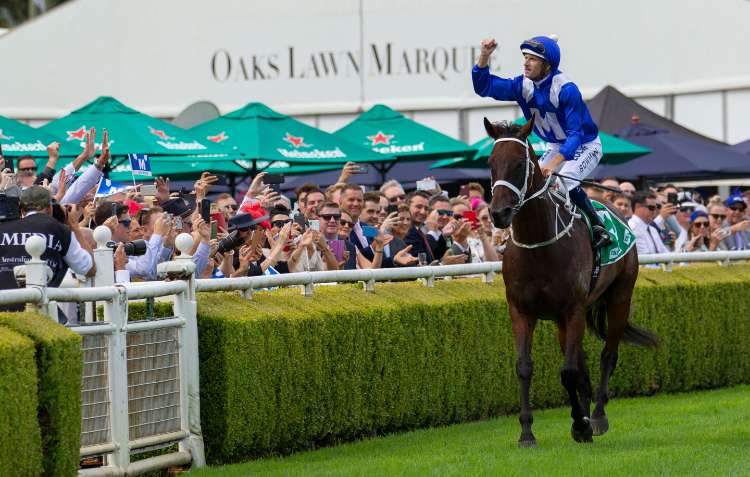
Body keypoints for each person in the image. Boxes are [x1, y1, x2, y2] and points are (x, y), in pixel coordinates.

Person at [472, 35, 611, 249]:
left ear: (547, 65)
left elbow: (575, 135)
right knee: (532, 184)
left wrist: (554, 164)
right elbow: (484, 87)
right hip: (555, 144)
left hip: (585, 145)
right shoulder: (522, 85)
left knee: (565, 182)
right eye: (525, 57)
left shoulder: (567, 89)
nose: (526, 63)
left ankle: (598, 226)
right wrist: (484, 56)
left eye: (533, 59)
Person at [0, 186, 96, 314]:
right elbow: (89, 269)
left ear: (22, 210)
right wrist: (74, 226)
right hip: (41, 311)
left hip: (4, 308)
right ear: (50, 208)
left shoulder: (3, 228)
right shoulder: (61, 230)